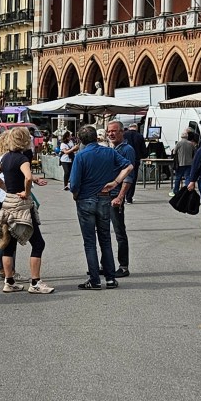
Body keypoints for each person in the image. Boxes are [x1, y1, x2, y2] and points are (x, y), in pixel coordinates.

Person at [68, 125, 133, 289]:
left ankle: (95, 279)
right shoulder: (109, 152)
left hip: (86, 199)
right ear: (96, 137)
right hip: (104, 197)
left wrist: (75, 195)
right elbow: (129, 166)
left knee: (90, 241)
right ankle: (110, 278)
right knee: (105, 238)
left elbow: (74, 183)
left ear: (80, 140)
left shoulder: (81, 156)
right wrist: (115, 182)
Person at [0, 127, 53, 293]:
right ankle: (35, 282)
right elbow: (27, 176)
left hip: (8, 202)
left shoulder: (5, 157)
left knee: (9, 244)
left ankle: (9, 281)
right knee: (38, 243)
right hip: (22, 205)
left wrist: (6, 188)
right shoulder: (23, 158)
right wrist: (26, 191)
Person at [105, 120, 137, 278]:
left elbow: (129, 176)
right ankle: (106, 265)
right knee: (104, 232)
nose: (111, 134)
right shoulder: (110, 148)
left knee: (119, 232)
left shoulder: (127, 149)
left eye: (114, 131)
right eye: (109, 131)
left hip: (115, 195)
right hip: (105, 195)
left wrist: (120, 196)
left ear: (121, 132)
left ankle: (123, 266)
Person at [123, 123, 147, 203]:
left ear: (129, 127)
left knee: (123, 177)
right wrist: (143, 155)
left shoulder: (124, 135)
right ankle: (129, 198)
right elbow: (144, 150)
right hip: (135, 160)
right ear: (136, 128)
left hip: (124, 159)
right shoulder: (140, 136)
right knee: (132, 179)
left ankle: (122, 196)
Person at [171, 129, 197, 193]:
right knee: (187, 177)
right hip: (189, 163)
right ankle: (188, 191)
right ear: (187, 136)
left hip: (180, 163)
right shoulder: (191, 144)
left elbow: (174, 152)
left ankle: (176, 191)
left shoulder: (179, 143)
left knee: (178, 178)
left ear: (181, 136)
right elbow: (194, 152)